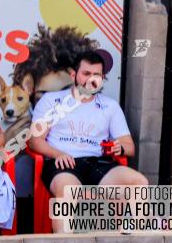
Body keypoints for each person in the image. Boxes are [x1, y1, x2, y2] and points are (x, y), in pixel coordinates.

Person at [28, 51, 148, 233]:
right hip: (63, 162)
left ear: (103, 78)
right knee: (69, 191)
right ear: (73, 75)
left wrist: (119, 148)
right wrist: (57, 153)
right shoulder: (52, 101)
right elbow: (35, 141)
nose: (91, 79)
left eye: (96, 75)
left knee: (139, 183)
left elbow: (129, 147)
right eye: (86, 73)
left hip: (98, 164)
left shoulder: (110, 106)